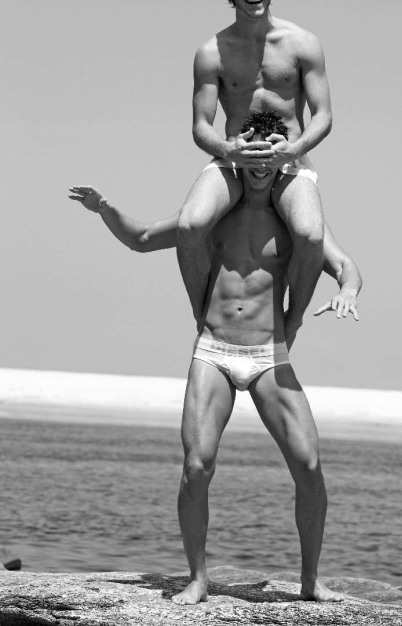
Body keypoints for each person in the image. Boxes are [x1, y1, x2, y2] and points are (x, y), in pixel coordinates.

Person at [69, 111, 362, 606]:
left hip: (269, 355)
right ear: (238, 153)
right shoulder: (213, 213)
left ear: (283, 155)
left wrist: (348, 291)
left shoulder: (295, 219)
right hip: (214, 351)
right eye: (252, 148)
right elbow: (142, 238)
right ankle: (198, 579)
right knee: (197, 466)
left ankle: (311, 580)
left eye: (272, 147)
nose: (261, 159)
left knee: (310, 466)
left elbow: (345, 266)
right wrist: (105, 209)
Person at [177, 0, 333, 349]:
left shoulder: (303, 43)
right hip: (234, 159)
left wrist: (293, 149)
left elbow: (323, 115)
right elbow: (200, 125)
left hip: (289, 159)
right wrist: (227, 150)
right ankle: (201, 314)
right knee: (189, 226)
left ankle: (292, 321)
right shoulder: (211, 52)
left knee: (310, 235)